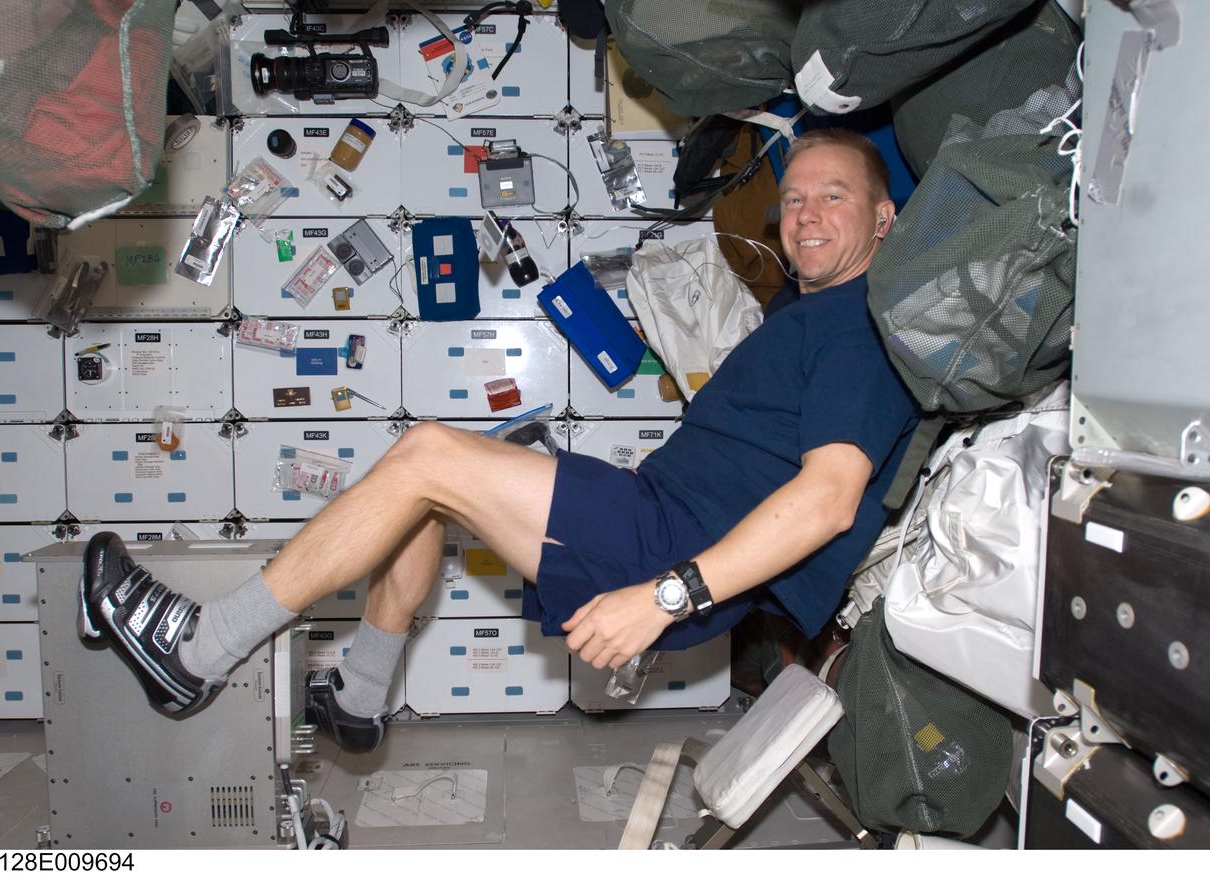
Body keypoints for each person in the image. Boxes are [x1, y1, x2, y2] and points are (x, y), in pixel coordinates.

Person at [78, 128, 920, 753]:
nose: (806, 215)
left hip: (667, 543)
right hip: (658, 515)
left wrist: (663, 595)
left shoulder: (862, 329)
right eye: (797, 199)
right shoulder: (808, 312)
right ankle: (363, 698)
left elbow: (828, 499)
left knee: (427, 456)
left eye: (834, 196)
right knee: (426, 491)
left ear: (885, 218)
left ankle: (194, 651)